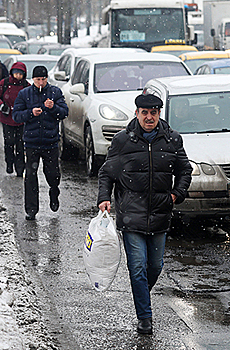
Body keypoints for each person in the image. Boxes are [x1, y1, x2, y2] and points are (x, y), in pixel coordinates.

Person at [97, 93, 192, 335]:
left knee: (155, 267)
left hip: (161, 213)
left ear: (159, 113)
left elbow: (184, 171)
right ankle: (145, 318)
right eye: (144, 112)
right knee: (137, 267)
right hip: (131, 213)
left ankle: (141, 296)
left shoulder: (172, 140)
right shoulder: (122, 141)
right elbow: (107, 173)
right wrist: (104, 197)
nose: (149, 117)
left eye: (154, 112)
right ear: (137, 113)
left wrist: (175, 195)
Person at [12, 66, 68, 221]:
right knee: (30, 175)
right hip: (31, 142)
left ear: (47, 78)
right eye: (38, 80)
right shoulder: (25, 93)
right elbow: (16, 116)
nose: (41, 82)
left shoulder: (55, 92)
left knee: (53, 174)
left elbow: (64, 113)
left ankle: (54, 191)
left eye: (43, 79)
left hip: (50, 142)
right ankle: (31, 209)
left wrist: (53, 108)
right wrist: (30, 113)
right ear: (33, 79)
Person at [0, 62, 30, 177]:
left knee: (20, 144)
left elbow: (31, 100)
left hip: (21, 119)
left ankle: (20, 167)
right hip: (7, 117)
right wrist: (1, 106)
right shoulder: (5, 83)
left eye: (20, 74)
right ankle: (9, 162)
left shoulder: (26, 86)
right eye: (16, 73)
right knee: (9, 142)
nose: (18, 76)